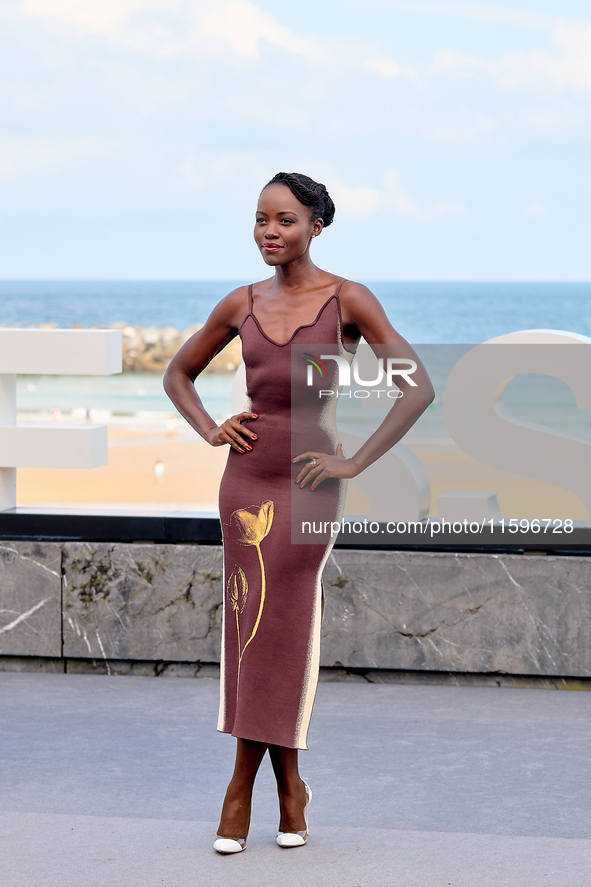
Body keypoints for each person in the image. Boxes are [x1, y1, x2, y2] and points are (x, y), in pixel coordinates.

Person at [163, 172, 434, 854]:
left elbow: (415, 388)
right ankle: (291, 788)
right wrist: (209, 428)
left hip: (310, 480)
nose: (268, 231)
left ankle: (236, 791)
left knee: (277, 625)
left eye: (284, 219)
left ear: (316, 224)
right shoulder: (239, 302)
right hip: (244, 481)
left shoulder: (347, 299)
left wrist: (352, 461)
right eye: (260, 219)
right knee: (250, 627)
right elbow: (178, 373)